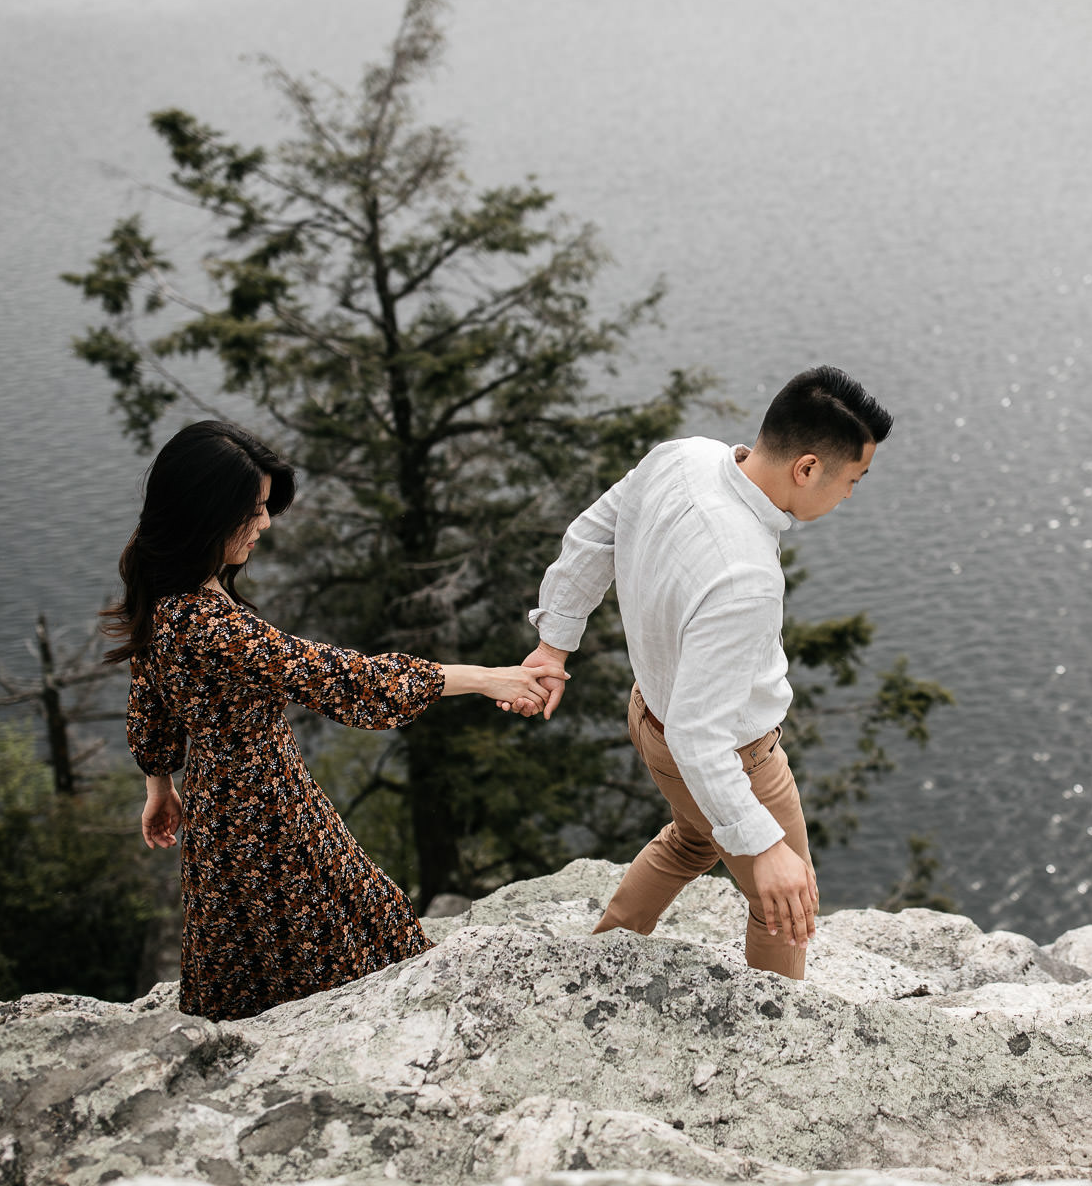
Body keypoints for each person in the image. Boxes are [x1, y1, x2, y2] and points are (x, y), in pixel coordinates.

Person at [109, 419, 552, 1020]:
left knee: (260, 957)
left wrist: (159, 785)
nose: (265, 524)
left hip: (222, 812)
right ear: (206, 514)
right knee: (346, 944)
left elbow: (149, 693)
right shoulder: (212, 625)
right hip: (267, 816)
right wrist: (482, 678)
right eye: (253, 511)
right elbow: (342, 680)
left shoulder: (166, 595)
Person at [522, 366, 892, 979]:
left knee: (694, 838)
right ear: (807, 469)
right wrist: (764, 845)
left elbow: (591, 535)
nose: (850, 495)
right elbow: (700, 737)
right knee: (784, 902)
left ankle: (602, 956)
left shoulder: (681, 457)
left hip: (648, 714)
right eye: (852, 480)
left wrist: (553, 645)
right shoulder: (745, 579)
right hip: (730, 757)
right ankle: (777, 1026)